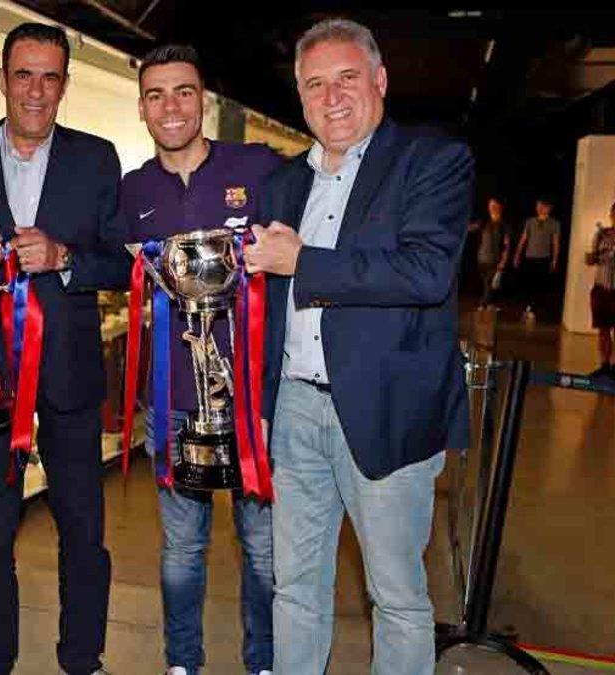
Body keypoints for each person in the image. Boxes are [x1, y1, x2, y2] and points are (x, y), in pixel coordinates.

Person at [243, 18, 472, 675]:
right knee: (295, 587)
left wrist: (302, 261)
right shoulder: (285, 181)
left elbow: (426, 272)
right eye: (315, 84)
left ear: (380, 80)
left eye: (347, 78)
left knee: (396, 596)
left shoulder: (432, 163)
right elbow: (266, 302)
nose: (332, 96)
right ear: (300, 96)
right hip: (293, 410)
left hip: (387, 413)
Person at [0, 21, 129, 675]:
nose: (36, 91)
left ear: (63, 84)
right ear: (4, 77)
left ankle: (82, 657)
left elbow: (122, 263)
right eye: (23, 74)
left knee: (83, 530)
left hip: (69, 371)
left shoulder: (97, 159)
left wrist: (65, 257)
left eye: (49, 77)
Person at [119, 43, 280, 675]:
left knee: (264, 551)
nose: (171, 106)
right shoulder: (133, 191)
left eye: (183, 91)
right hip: (175, 402)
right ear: (141, 108)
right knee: (181, 550)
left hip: (252, 405)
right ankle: (182, 663)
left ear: (204, 101)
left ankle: (264, 662)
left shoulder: (260, 169)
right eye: (156, 94)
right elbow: (109, 260)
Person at [513, 197, 562, 318]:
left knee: (540, 286)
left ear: (549, 208)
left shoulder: (554, 224)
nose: (539, 208)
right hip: (530, 257)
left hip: (543, 258)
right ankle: (529, 307)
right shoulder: (530, 221)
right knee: (528, 284)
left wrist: (555, 259)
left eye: (542, 206)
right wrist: (517, 255)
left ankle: (535, 309)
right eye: (537, 206)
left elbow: (556, 243)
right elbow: (523, 239)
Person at [585, 201, 615, 377]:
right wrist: (595, 256)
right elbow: (590, 260)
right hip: (601, 288)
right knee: (603, 329)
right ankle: (605, 365)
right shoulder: (601, 235)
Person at [470, 196, 511, 307]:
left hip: (494, 260)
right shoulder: (484, 222)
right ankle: (490, 305)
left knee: (489, 284)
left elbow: (507, 246)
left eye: (493, 205)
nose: (491, 208)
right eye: (490, 206)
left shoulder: (504, 225)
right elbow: (472, 228)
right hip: (482, 259)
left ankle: (483, 305)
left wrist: (503, 262)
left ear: (499, 207)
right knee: (487, 284)